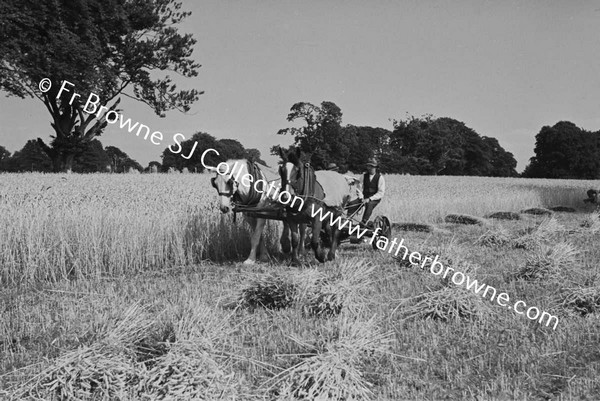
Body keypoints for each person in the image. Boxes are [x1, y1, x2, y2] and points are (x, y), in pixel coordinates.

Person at [361, 158, 385, 224]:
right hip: (364, 197)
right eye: (369, 166)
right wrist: (361, 197)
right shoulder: (363, 176)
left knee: (369, 204)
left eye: (372, 166)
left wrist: (370, 199)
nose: (370, 168)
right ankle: (348, 220)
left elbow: (380, 193)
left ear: (375, 167)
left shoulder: (380, 178)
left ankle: (363, 222)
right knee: (353, 204)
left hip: (375, 199)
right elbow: (359, 188)